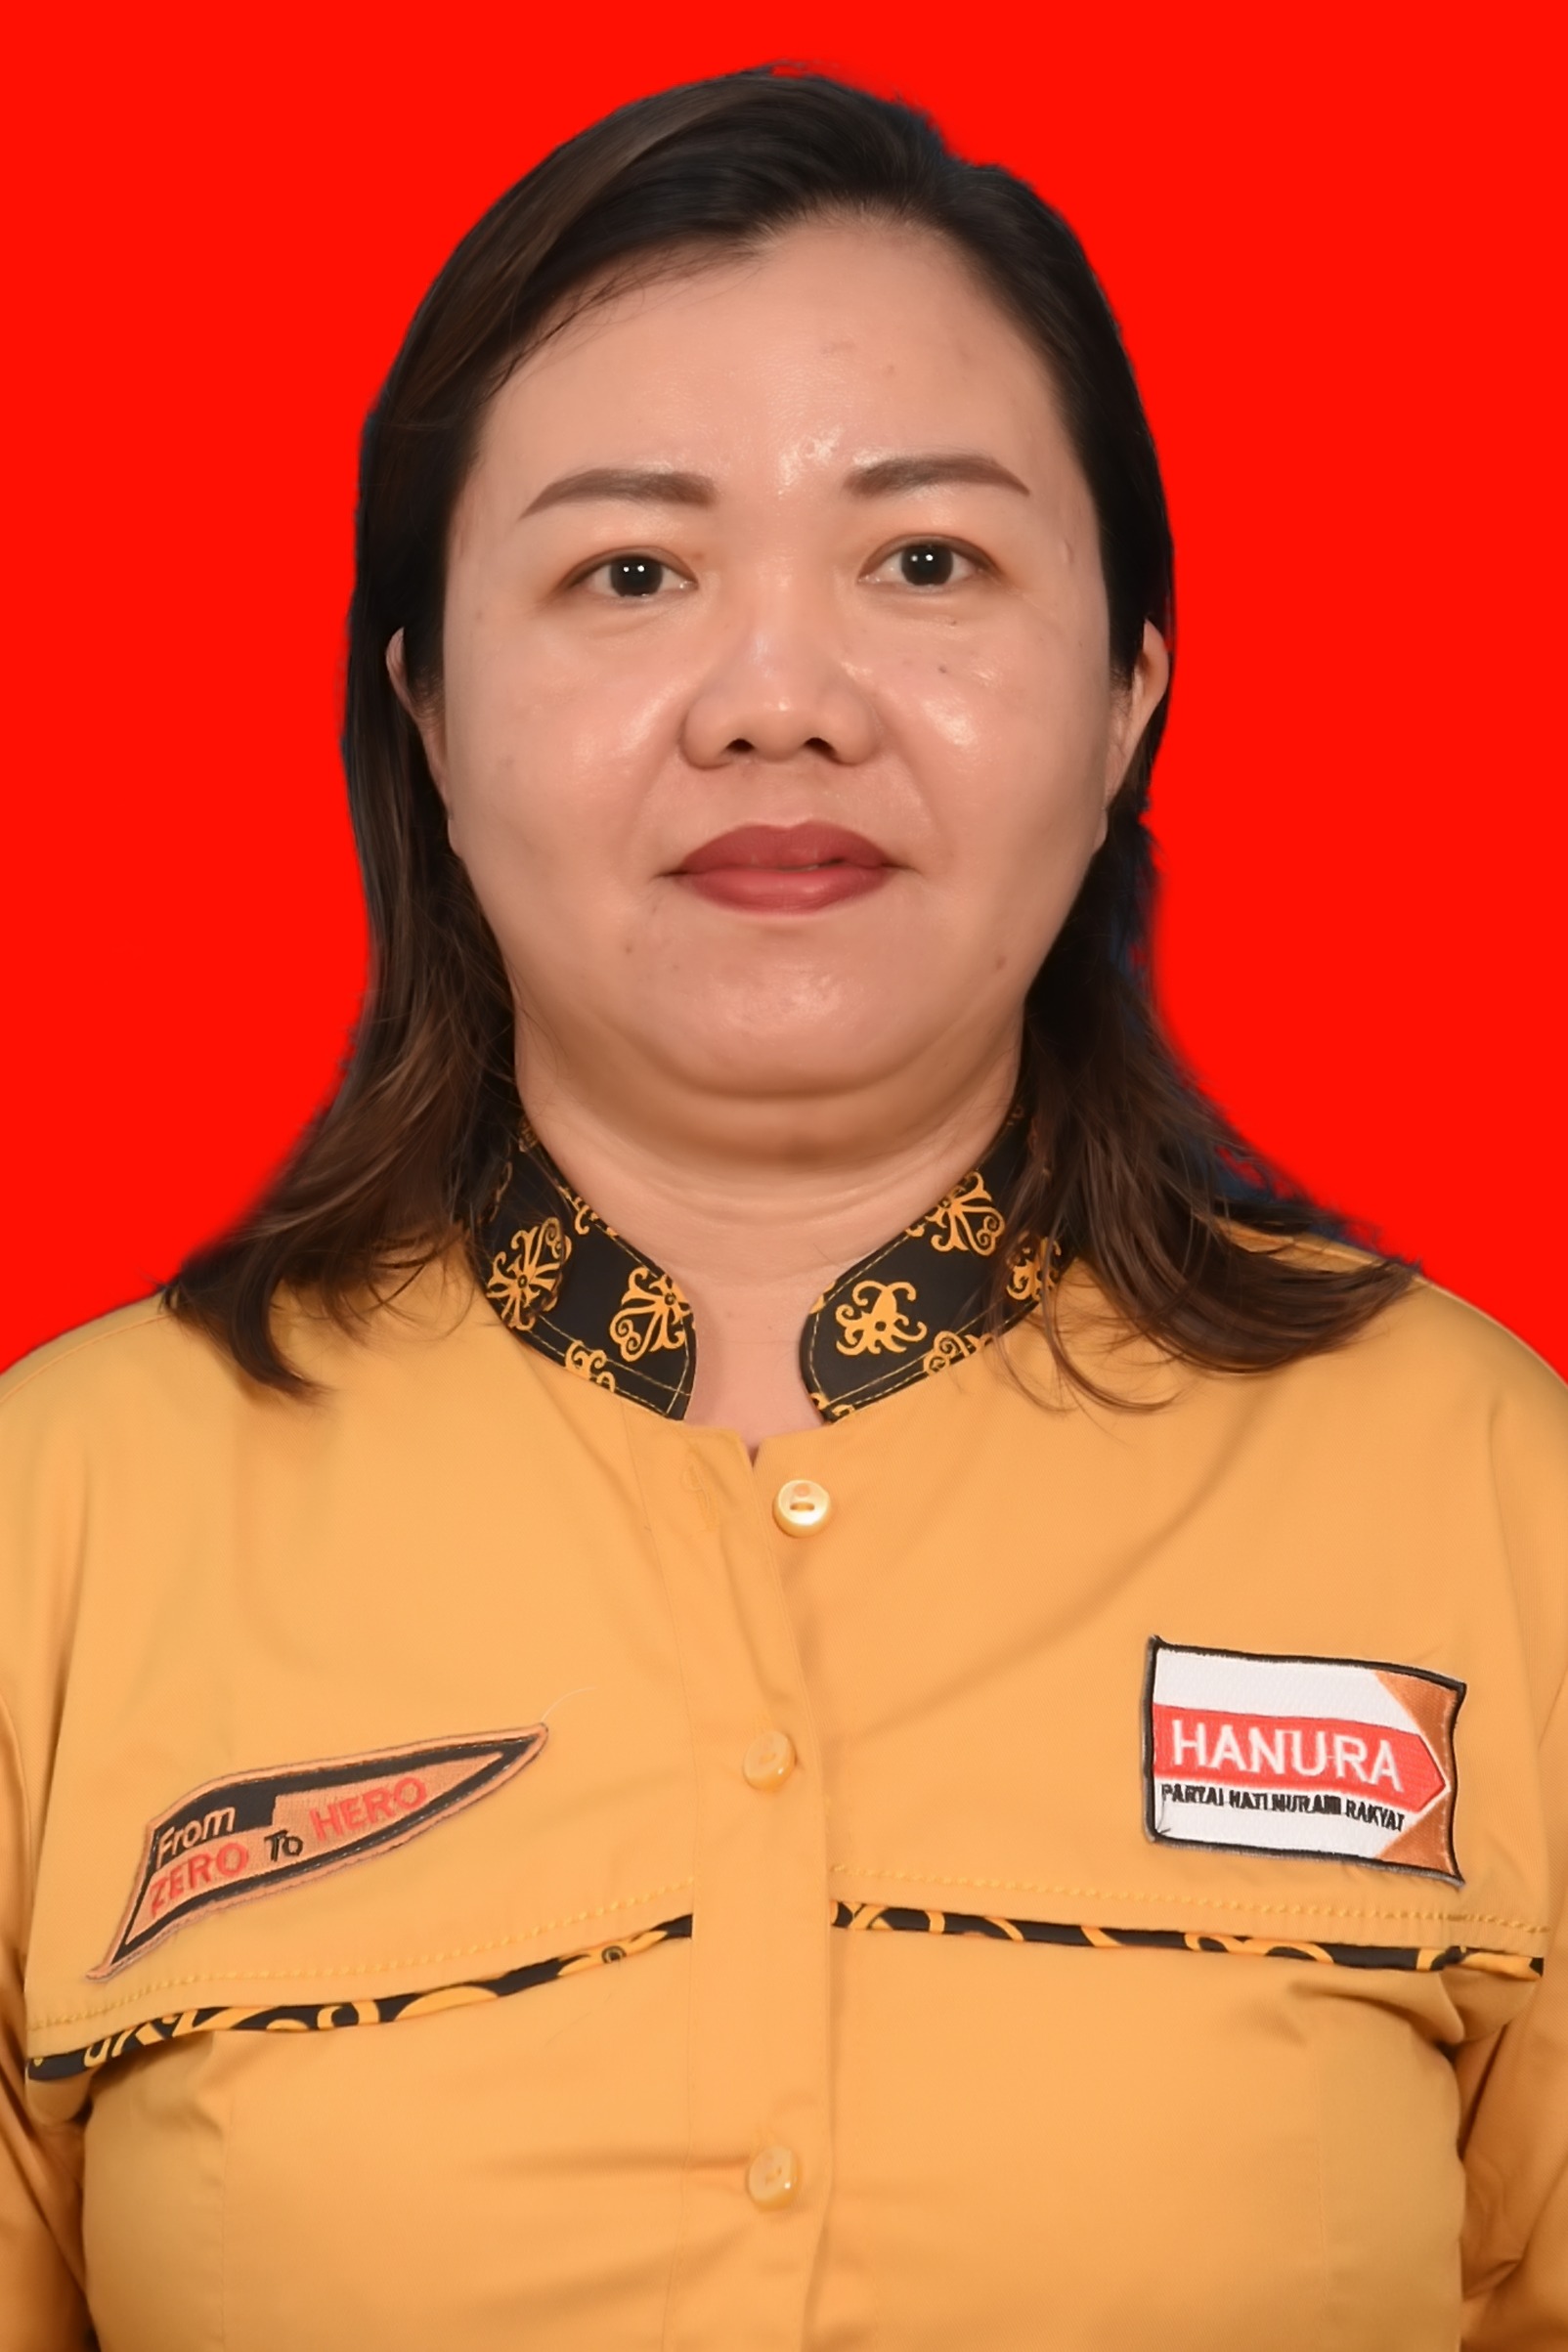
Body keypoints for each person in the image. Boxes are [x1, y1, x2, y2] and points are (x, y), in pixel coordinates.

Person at [1, 67, 1562, 2352]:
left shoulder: (1484, 1485)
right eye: (629, 573)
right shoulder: (62, 1526)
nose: (778, 704)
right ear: (423, 711)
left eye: (925, 562)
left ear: (1125, 690)